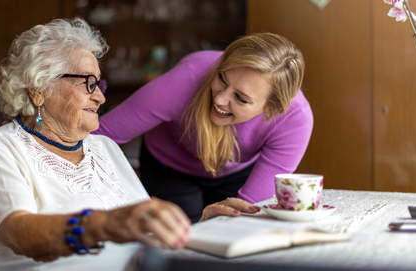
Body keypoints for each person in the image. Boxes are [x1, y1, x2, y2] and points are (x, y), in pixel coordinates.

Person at [0, 18, 260, 271]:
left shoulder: (103, 148)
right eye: (87, 84)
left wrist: (201, 225)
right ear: (39, 90)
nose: (101, 98)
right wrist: (103, 225)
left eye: (99, 85)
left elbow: (142, 230)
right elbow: (20, 234)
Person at [94, 32, 313, 222]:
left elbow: (249, 212)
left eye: (240, 98)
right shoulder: (188, 76)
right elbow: (99, 135)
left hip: (236, 172)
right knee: (176, 244)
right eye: (222, 79)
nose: (220, 100)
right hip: (169, 166)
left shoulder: (295, 119)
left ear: (271, 109)